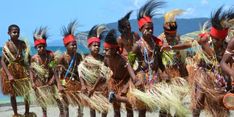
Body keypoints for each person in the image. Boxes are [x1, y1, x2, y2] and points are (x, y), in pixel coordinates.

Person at [162, 6, 234, 117]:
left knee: (221, 103)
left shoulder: (226, 45)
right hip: (203, 72)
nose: (219, 42)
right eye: (216, 40)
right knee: (199, 100)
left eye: (221, 40)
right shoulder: (204, 39)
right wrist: (172, 47)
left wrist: (230, 80)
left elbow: (228, 62)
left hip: (219, 74)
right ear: (212, 36)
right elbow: (188, 44)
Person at [104, 29, 140, 117]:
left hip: (126, 82)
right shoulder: (106, 59)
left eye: (108, 50)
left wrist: (135, 79)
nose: (106, 52)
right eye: (105, 50)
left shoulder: (121, 59)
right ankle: (115, 98)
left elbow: (129, 68)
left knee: (129, 108)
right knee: (116, 110)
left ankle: (117, 97)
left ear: (115, 50)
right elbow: (104, 72)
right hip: (114, 82)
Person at [0, 24, 34, 117]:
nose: (16, 34)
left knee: (26, 92)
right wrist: (9, 75)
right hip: (11, 71)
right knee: (12, 93)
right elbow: (2, 61)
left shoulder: (22, 43)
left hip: (21, 69)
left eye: (18, 32)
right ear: (8, 33)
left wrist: (29, 67)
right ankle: (15, 114)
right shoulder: (7, 45)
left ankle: (27, 112)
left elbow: (28, 56)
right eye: (14, 32)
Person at [29, 27, 64, 117]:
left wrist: (54, 80)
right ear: (36, 47)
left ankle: (62, 112)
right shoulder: (34, 58)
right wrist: (32, 82)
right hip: (40, 81)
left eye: (43, 46)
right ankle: (44, 114)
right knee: (42, 100)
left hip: (51, 79)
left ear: (46, 46)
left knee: (57, 97)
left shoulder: (50, 55)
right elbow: (31, 71)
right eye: (39, 47)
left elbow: (54, 68)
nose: (41, 49)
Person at [78, 25, 110, 117]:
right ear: (89, 46)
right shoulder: (86, 60)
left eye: (98, 45)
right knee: (92, 110)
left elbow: (103, 74)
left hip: (101, 88)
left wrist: (95, 87)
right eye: (94, 45)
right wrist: (83, 85)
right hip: (91, 89)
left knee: (104, 109)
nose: (97, 47)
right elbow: (81, 72)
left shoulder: (102, 59)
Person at [56, 21, 83, 117]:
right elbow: (53, 68)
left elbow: (81, 70)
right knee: (65, 105)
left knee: (80, 105)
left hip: (76, 82)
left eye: (75, 44)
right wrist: (59, 84)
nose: (74, 46)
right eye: (72, 45)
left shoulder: (78, 56)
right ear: (66, 46)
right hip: (65, 82)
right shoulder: (62, 57)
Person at [159, 9, 188, 78]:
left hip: (177, 69)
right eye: (170, 36)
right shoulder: (160, 40)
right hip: (165, 71)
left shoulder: (177, 38)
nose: (173, 37)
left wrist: (182, 67)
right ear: (165, 33)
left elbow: (180, 53)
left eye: (174, 35)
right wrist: (163, 71)